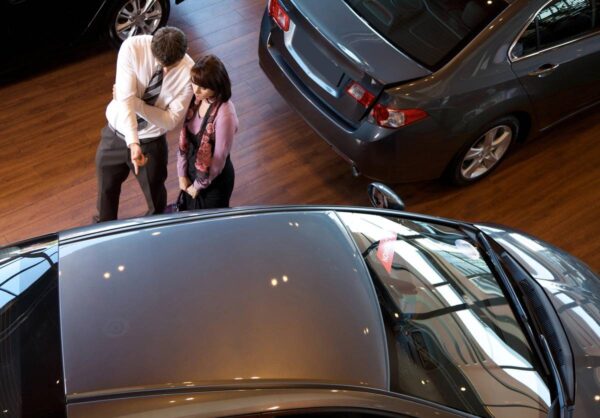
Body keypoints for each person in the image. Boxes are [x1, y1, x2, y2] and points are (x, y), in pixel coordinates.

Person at [95, 26, 194, 222]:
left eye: (171, 66)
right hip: (115, 135)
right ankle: (104, 233)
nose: (165, 70)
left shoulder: (189, 72)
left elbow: (170, 120)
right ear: (152, 46)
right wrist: (133, 143)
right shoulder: (131, 48)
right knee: (105, 193)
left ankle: (152, 235)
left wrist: (136, 103)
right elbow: (125, 102)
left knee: (155, 199)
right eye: (160, 63)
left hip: (152, 142)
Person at [177, 55, 238, 209]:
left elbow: (218, 160)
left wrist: (197, 186)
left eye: (203, 87)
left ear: (217, 86)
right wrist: (181, 174)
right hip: (192, 173)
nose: (195, 90)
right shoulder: (196, 99)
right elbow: (184, 141)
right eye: (194, 82)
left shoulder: (225, 114)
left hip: (213, 182)